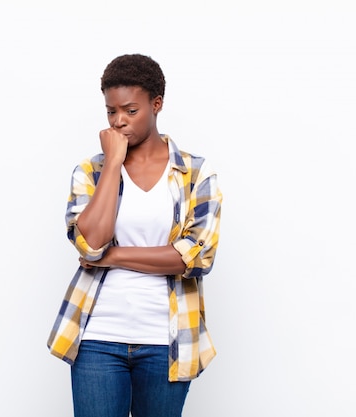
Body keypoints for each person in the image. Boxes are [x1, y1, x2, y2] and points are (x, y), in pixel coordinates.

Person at [47, 53, 223, 417]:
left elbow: (194, 257)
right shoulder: (90, 171)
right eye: (111, 112)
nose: (119, 121)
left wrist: (112, 257)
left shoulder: (195, 174)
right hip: (98, 338)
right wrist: (113, 162)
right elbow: (91, 242)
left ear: (156, 104)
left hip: (167, 341)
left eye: (130, 110)